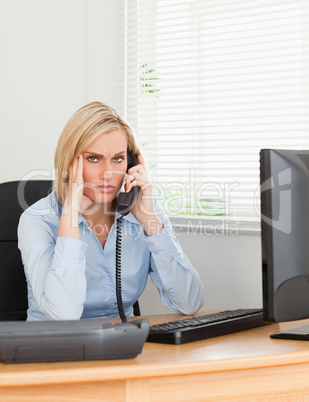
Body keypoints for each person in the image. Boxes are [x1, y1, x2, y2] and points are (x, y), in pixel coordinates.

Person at [18, 101, 205, 321]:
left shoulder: (144, 211)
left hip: (123, 345)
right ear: (69, 163)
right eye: (93, 158)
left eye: (118, 159)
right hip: (53, 348)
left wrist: (150, 222)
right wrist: (69, 216)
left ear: (132, 162)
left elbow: (190, 302)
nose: (108, 173)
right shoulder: (38, 220)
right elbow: (64, 316)